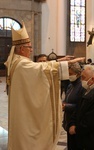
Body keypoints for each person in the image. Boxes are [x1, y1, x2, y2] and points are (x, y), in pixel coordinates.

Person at [4, 22, 84, 150]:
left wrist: (60, 61)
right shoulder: (21, 64)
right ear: (21, 49)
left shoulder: (16, 62)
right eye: (29, 47)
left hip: (21, 112)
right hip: (25, 117)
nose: (31, 50)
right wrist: (65, 63)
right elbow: (41, 69)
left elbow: (40, 68)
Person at [62, 62, 85, 150]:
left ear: (78, 74)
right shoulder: (70, 86)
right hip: (68, 121)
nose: (69, 76)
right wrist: (63, 103)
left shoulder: (82, 87)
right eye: (68, 73)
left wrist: (66, 107)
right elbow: (67, 99)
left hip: (76, 123)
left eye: (71, 74)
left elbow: (81, 106)